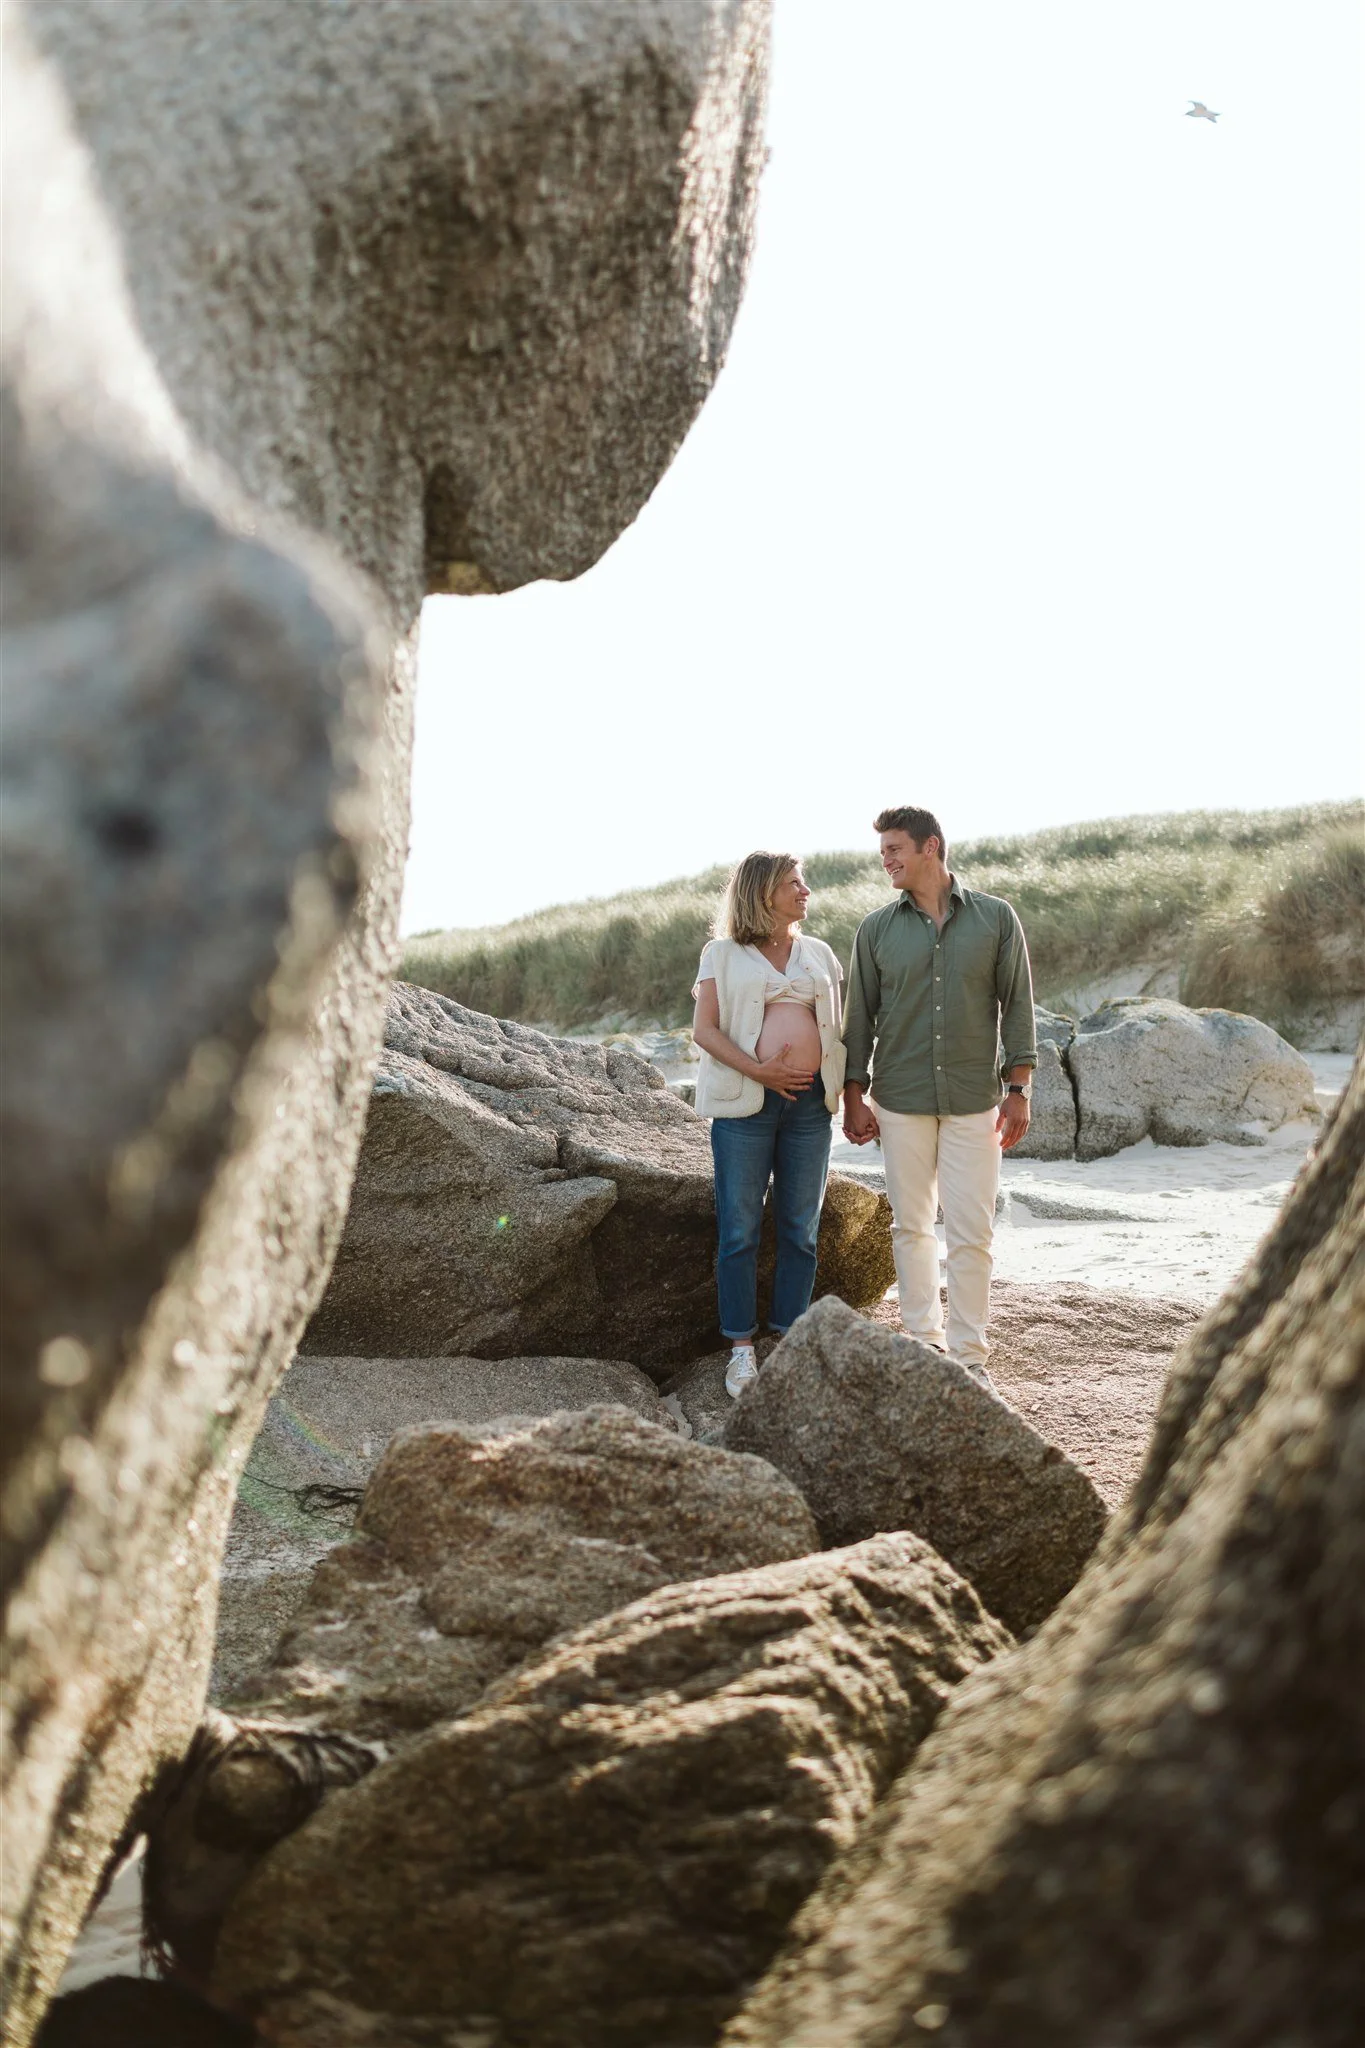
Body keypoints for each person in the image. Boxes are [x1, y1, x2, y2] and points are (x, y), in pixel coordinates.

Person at [842, 805, 1036, 1383]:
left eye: (895, 849)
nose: (886, 860)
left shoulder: (996, 919)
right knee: (912, 1226)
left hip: (976, 1097)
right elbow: (860, 1019)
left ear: (931, 847)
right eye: (882, 852)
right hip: (898, 1098)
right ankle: (924, 1345)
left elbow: (1018, 1004)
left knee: (973, 1231)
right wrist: (855, 1093)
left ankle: (970, 1355)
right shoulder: (875, 930)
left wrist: (1018, 1087)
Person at [692, 852, 847, 1397]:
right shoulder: (722, 954)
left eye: (802, 882)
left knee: (801, 1228)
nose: (804, 890)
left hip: (809, 1108)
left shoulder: (820, 954)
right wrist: (760, 1069)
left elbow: (837, 1028)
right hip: (746, 1105)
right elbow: (704, 1031)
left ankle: (788, 1341)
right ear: (762, 893)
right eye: (792, 883)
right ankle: (740, 1350)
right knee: (739, 1230)